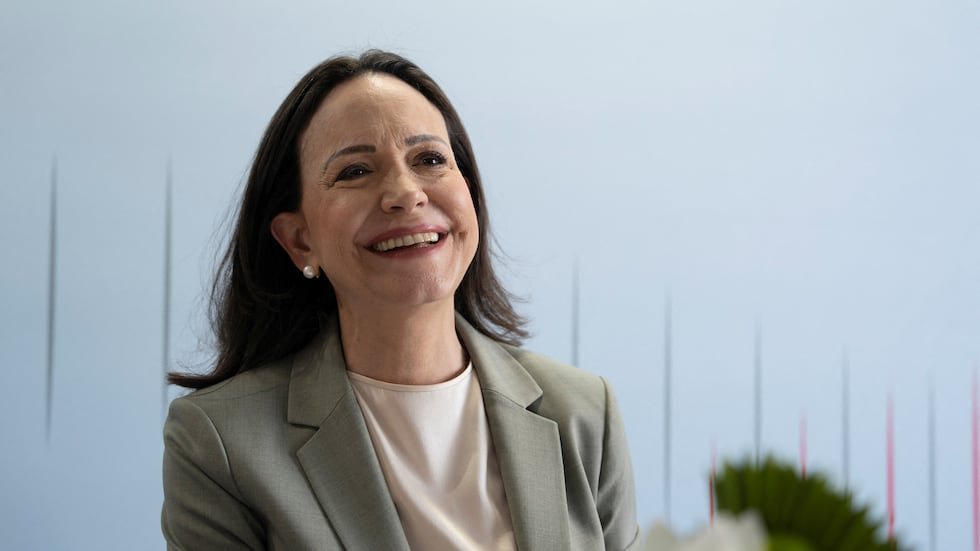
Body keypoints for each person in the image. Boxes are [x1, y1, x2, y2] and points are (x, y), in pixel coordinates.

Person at [161, 50, 639, 551]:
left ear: (470, 195)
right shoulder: (219, 442)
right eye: (355, 171)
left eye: (429, 160)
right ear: (300, 241)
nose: (406, 194)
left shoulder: (583, 412)